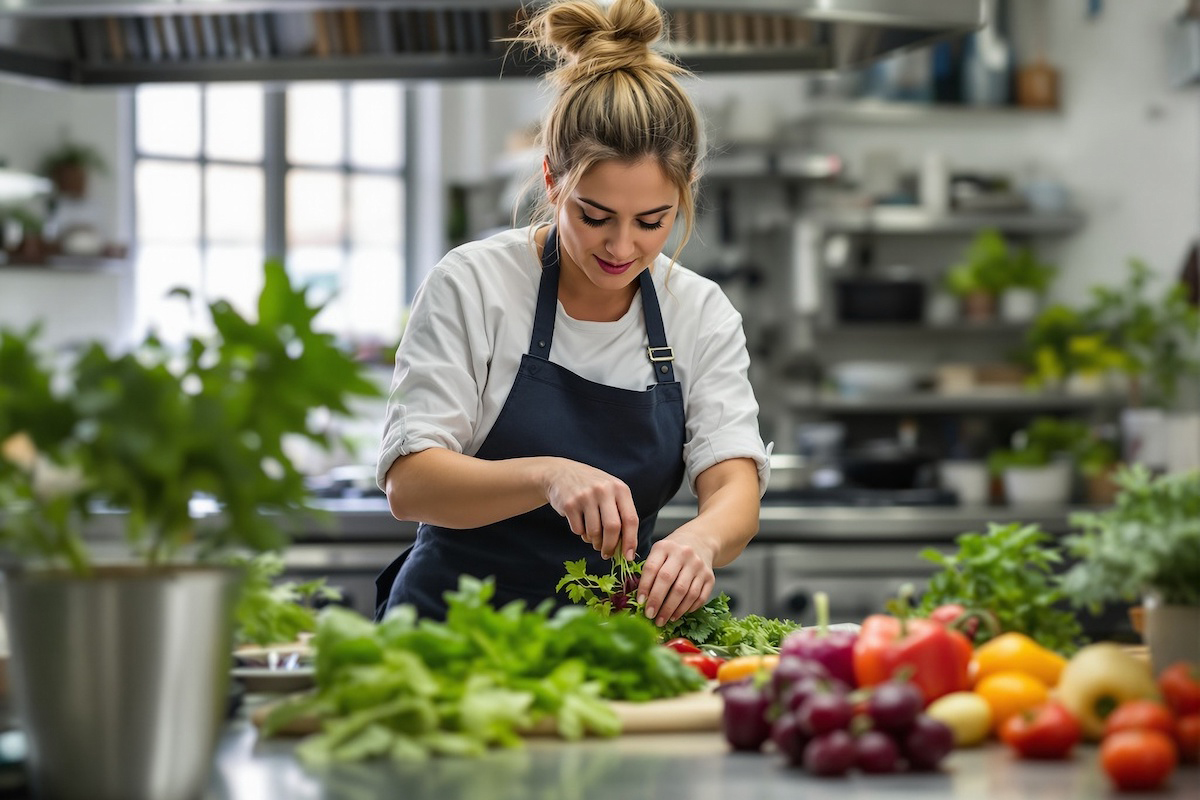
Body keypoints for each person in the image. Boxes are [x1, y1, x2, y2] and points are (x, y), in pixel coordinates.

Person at [374, 0, 770, 626]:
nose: (621, 247)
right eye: (594, 215)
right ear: (552, 181)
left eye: (652, 222)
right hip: (449, 637)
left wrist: (701, 540)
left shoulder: (699, 312)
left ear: (686, 190)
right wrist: (546, 477)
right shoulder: (475, 284)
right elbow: (410, 483)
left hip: (604, 643)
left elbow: (732, 486)